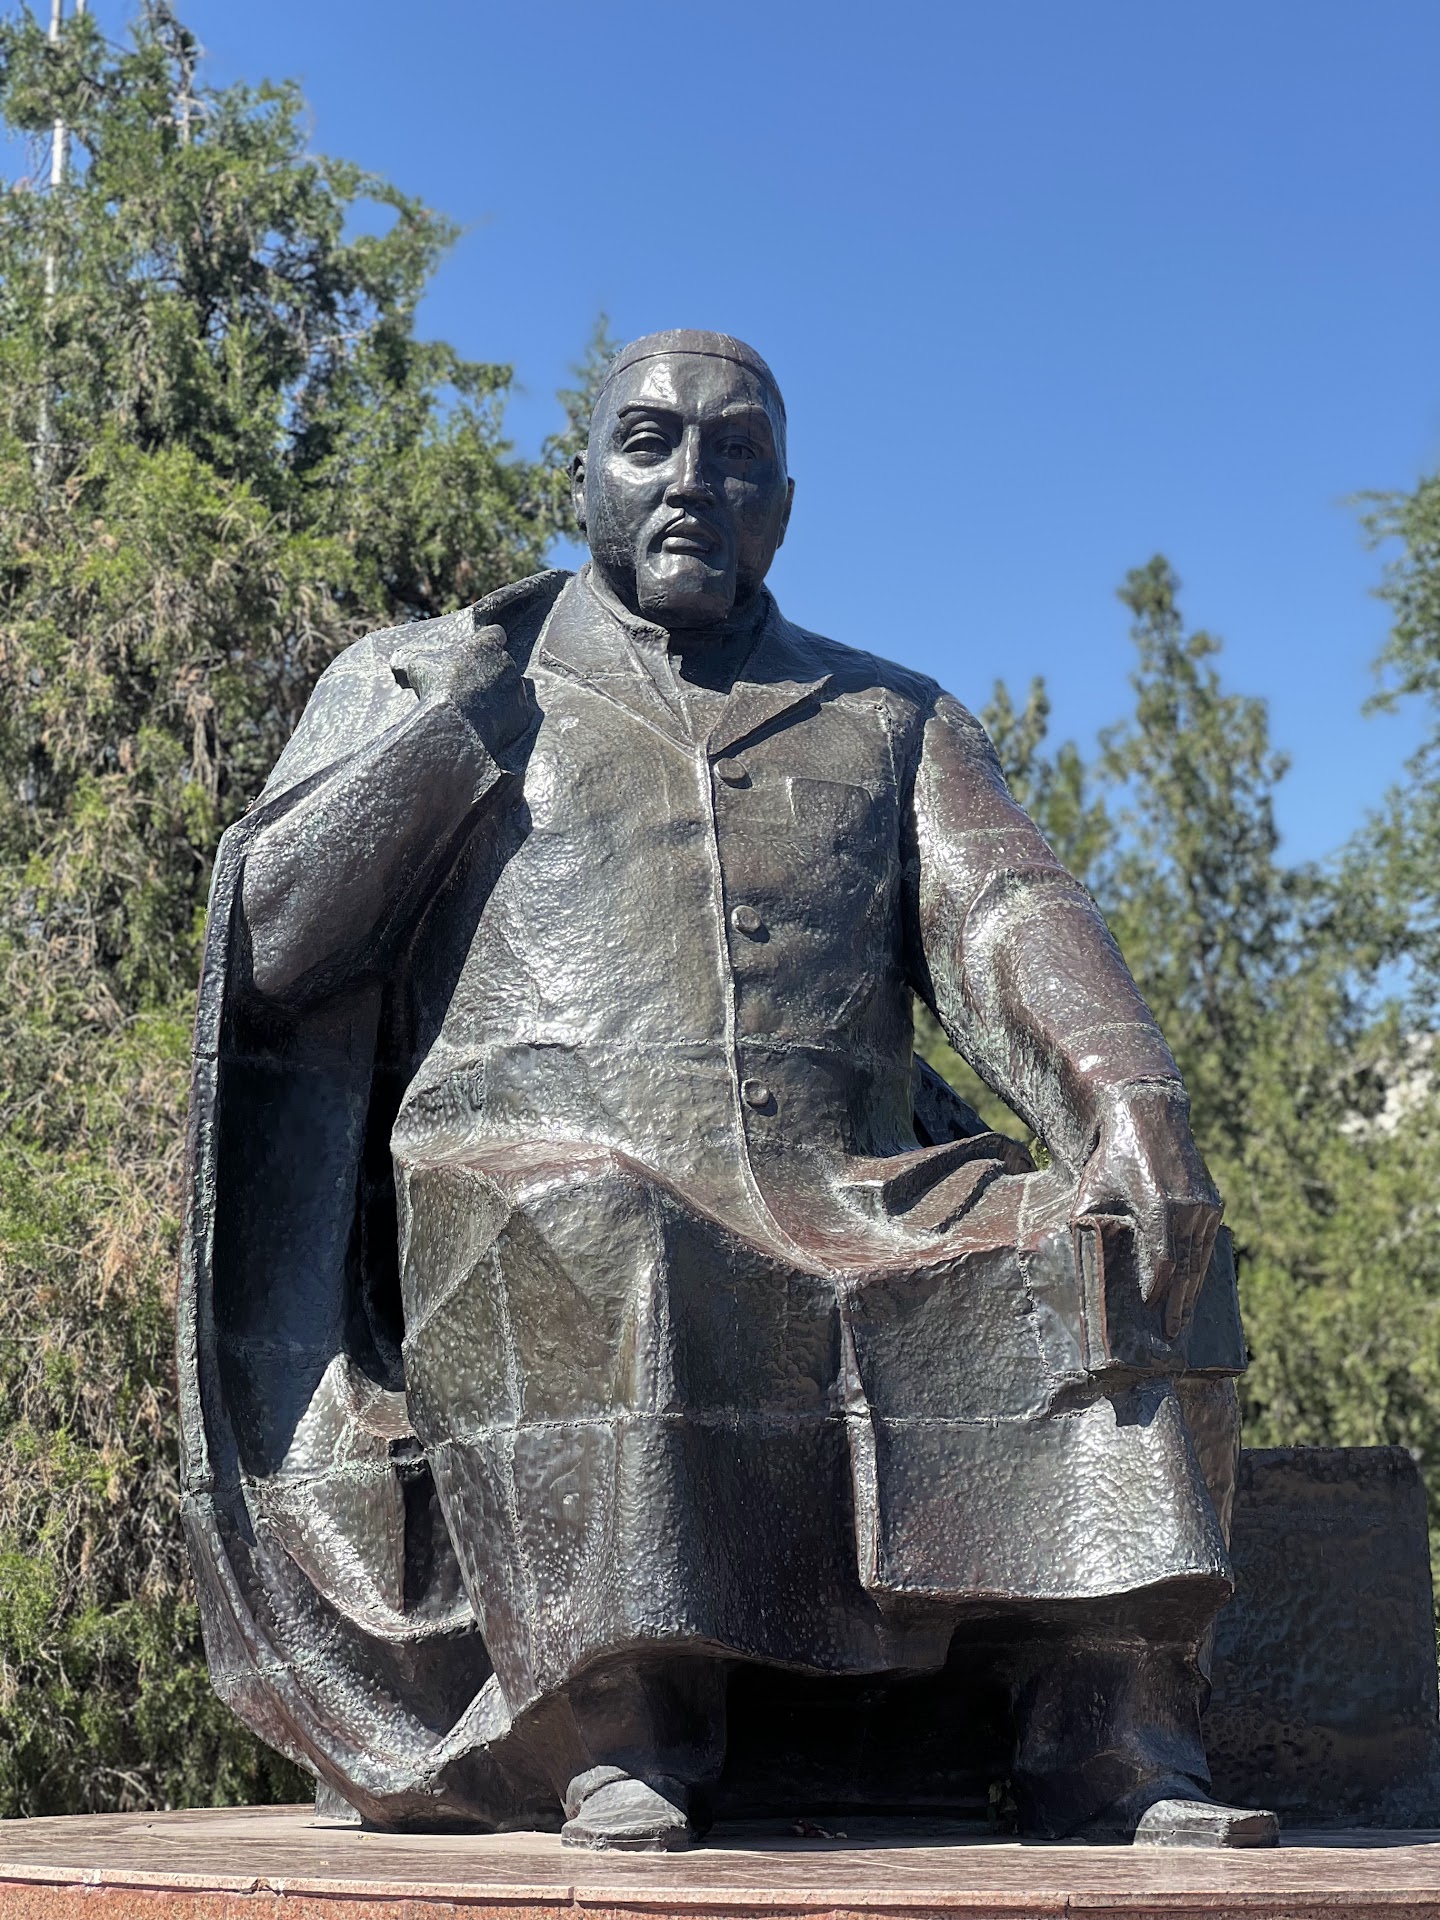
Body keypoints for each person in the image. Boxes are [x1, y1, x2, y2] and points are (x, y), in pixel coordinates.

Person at [181, 330, 1275, 1850]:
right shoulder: (443, 678)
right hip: (540, 1154)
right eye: (650, 442)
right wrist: (435, 743)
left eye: (737, 451)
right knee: (600, 1220)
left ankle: (1108, 1730)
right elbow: (279, 943)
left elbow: (1007, 911)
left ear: (786, 503)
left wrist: (1127, 1097)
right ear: (585, 478)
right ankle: (617, 1725)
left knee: (1095, 1234)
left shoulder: (887, 715)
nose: (693, 479)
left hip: (846, 1183)